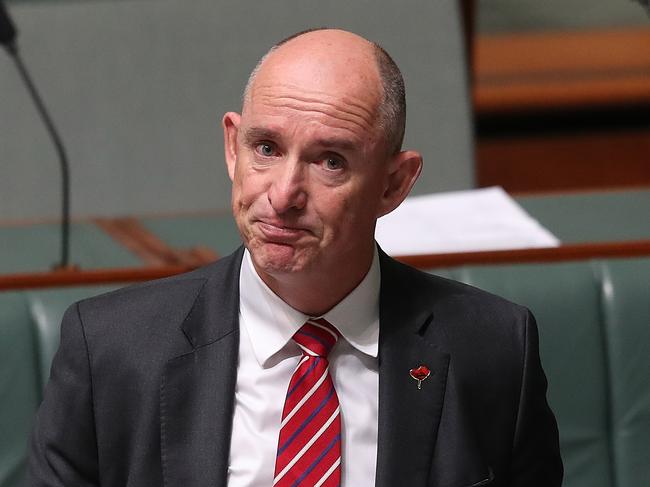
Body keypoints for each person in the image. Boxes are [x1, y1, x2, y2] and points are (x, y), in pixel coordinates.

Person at [28, 29, 562, 486]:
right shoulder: (110, 351)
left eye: (330, 160)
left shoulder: (495, 349)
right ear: (232, 147)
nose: (283, 195)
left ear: (394, 184)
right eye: (266, 148)